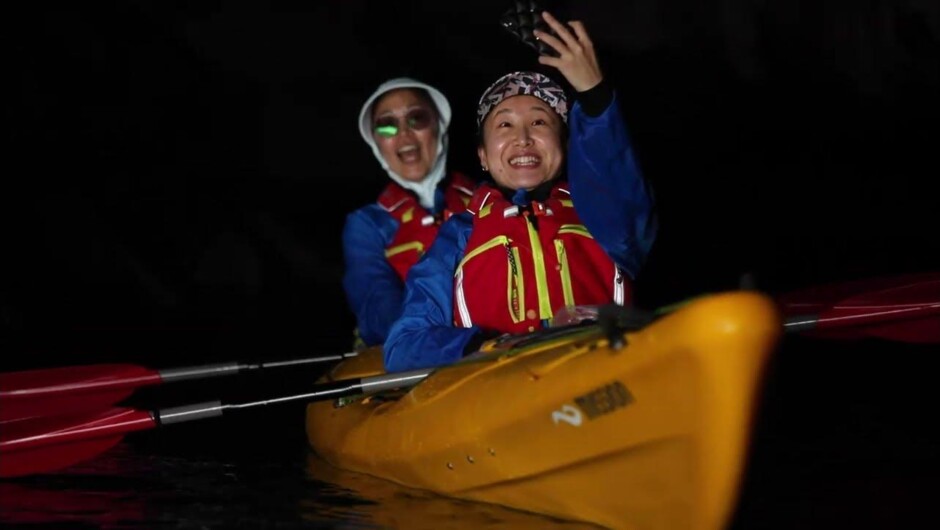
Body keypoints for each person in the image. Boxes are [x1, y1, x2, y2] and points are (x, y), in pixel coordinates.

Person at [383, 11, 658, 372]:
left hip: (602, 377)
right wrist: (489, 345)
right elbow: (404, 345)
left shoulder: (603, 218)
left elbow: (620, 187)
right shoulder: (458, 237)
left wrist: (593, 95)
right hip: (504, 393)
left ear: (564, 144)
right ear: (483, 155)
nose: (523, 138)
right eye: (505, 124)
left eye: (540, 121)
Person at [343, 77, 477, 349]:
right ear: (376, 143)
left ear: (439, 127)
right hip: (420, 354)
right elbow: (375, 300)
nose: (404, 135)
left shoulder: (486, 199)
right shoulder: (367, 224)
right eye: (387, 124)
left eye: (417, 118)